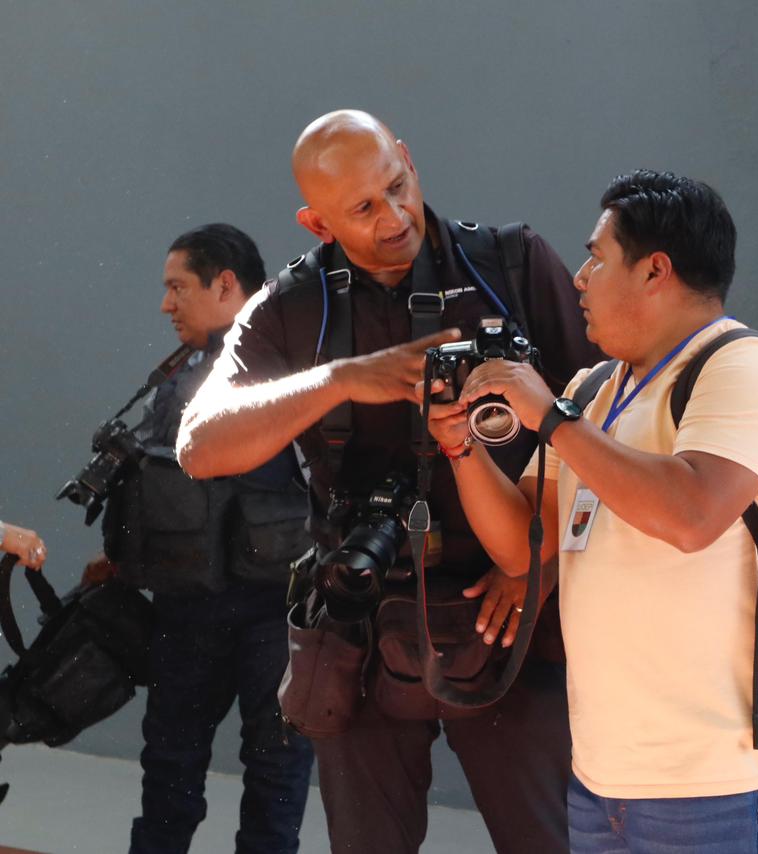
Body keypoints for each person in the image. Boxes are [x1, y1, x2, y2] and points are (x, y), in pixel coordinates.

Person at [177, 109, 598, 853]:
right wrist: (340, 379)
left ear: (406, 155)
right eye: (363, 209)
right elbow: (199, 446)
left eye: (397, 185)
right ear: (317, 223)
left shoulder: (510, 264)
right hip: (362, 617)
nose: (395, 217)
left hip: (505, 611)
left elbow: (608, 415)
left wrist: (541, 565)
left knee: (550, 841)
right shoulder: (293, 306)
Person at [428, 169, 758, 853]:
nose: (579, 279)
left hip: (713, 784)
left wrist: (552, 420)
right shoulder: (594, 389)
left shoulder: (746, 366)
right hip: (600, 776)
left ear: (655, 270)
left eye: (597, 258)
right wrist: (461, 447)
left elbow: (691, 515)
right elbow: (522, 546)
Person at [91, 224, 315, 853]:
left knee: (274, 771)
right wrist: (119, 555)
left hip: (275, 610)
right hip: (188, 606)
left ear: (225, 285)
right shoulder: (182, 377)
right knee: (171, 770)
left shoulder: (299, 372)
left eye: (178, 287)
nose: (167, 304)